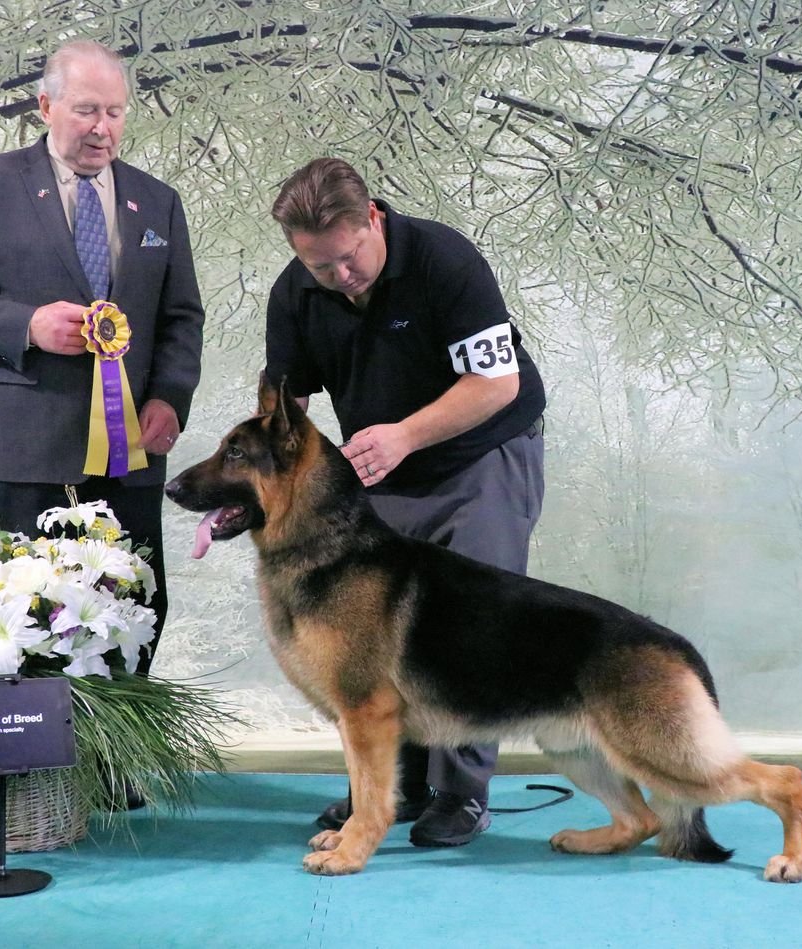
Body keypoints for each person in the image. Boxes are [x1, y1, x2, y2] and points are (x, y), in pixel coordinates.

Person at [264, 157, 546, 847]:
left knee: (469, 626)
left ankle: (463, 793)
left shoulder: (444, 261)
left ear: (373, 220)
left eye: (349, 258)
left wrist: (403, 436)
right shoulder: (295, 292)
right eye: (319, 265)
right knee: (377, 633)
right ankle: (393, 786)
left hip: (479, 453)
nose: (340, 277)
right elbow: (283, 410)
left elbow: (495, 382)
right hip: (382, 472)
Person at [0, 40, 204, 688]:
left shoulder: (158, 202)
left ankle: (116, 757)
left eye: (115, 111)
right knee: (22, 610)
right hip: (24, 451)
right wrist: (28, 325)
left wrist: (170, 398)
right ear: (45, 106)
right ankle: (31, 771)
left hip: (129, 451)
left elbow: (182, 316)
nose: (103, 127)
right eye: (85, 110)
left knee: (131, 605)